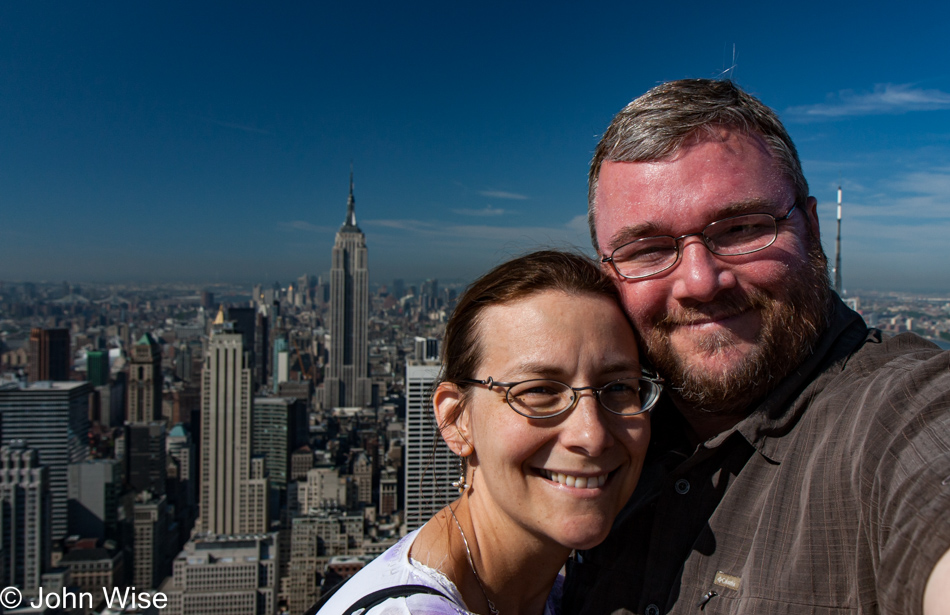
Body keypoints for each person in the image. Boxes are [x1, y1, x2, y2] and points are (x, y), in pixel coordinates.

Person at [562, 78, 950, 615]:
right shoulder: (600, 436)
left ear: (811, 229)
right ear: (607, 274)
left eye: (742, 228)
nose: (699, 281)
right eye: (648, 249)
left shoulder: (898, 412)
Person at [317, 250, 663, 615]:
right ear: (456, 419)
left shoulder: (556, 594)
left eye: (619, 387)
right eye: (539, 391)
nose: (592, 435)